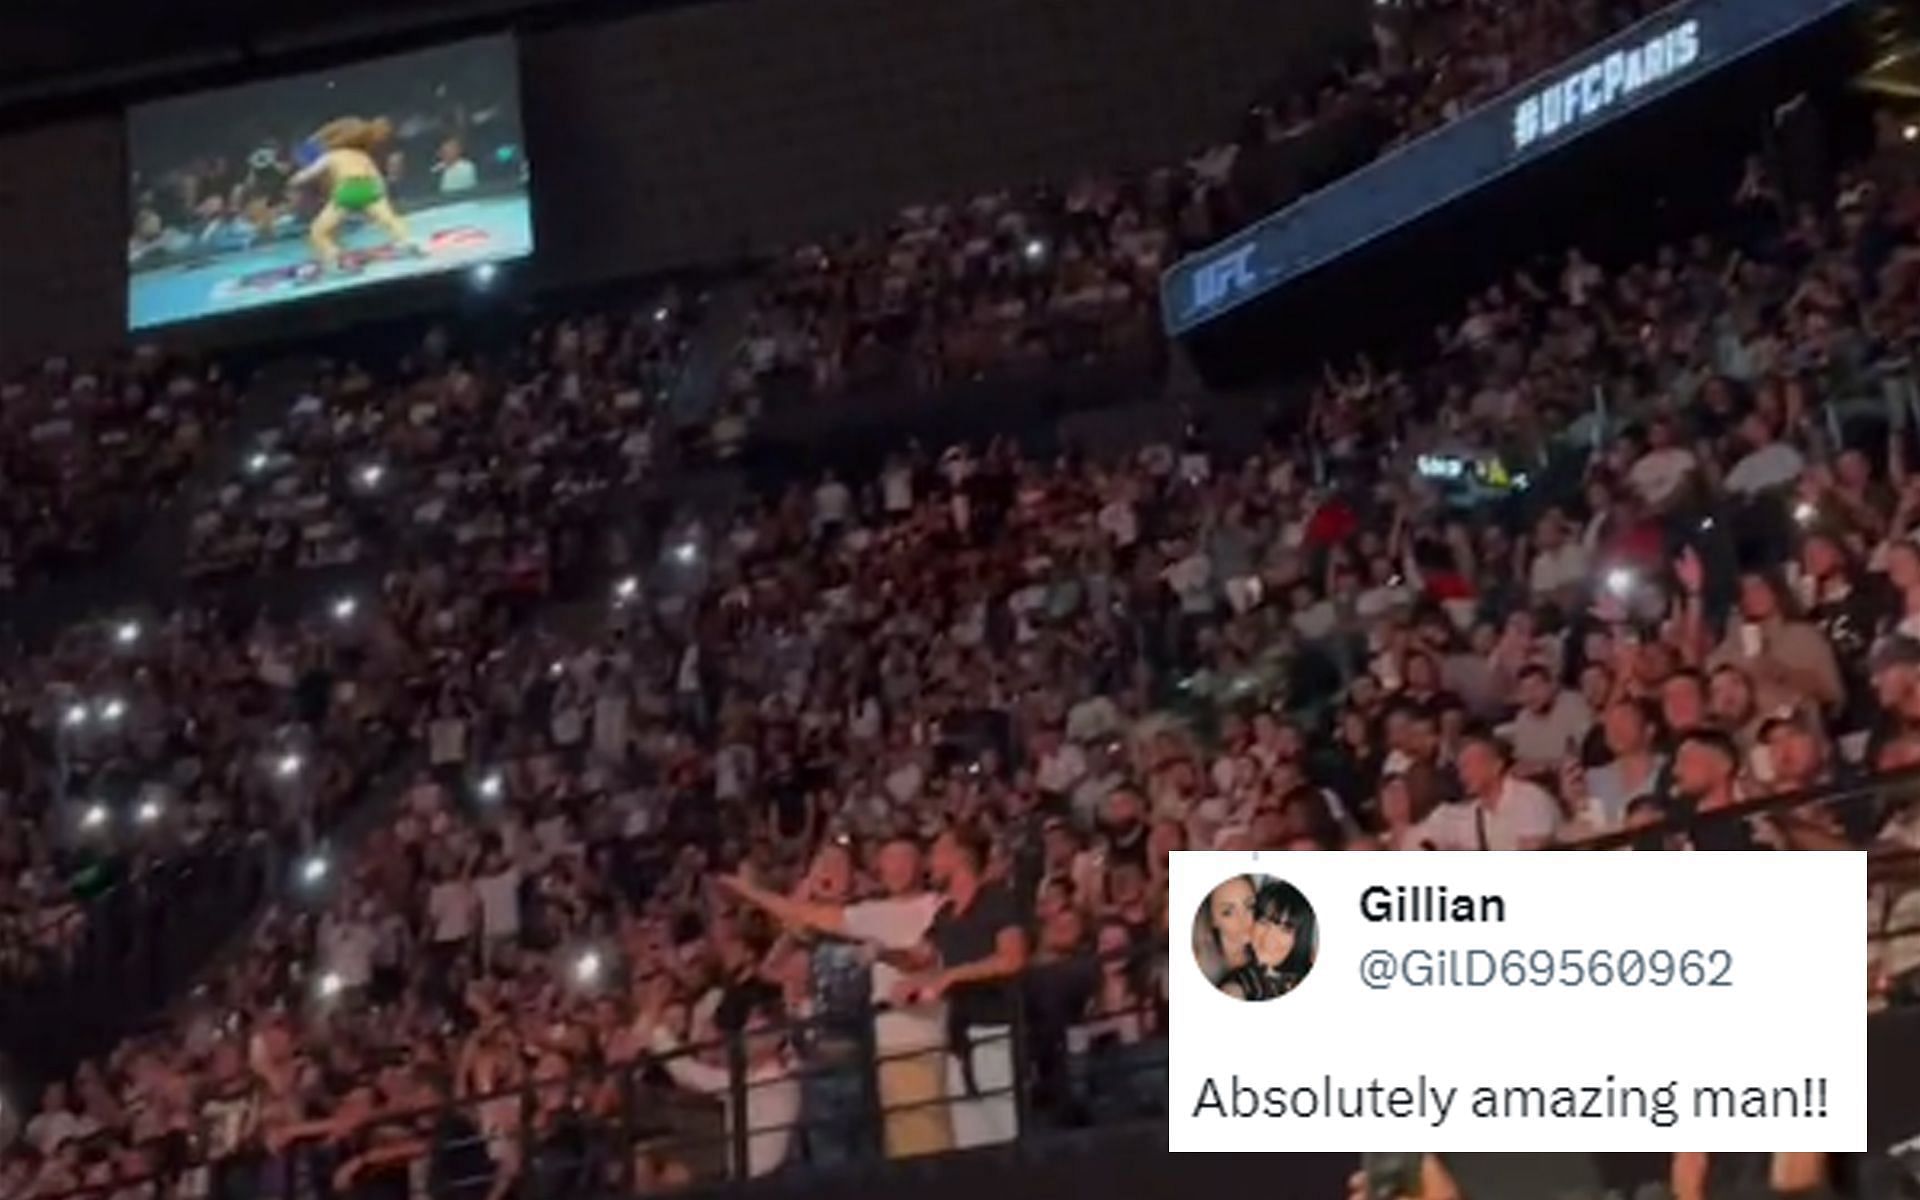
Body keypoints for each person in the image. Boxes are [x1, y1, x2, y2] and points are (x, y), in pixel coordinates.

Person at [900, 824, 1029, 1150]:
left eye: (937, 852)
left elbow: (1012, 958)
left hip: (997, 1029)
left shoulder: (995, 898)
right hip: (959, 1036)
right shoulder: (945, 914)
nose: (930, 862)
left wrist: (951, 976)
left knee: (1005, 1132)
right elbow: (918, 957)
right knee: (971, 1142)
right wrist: (881, 953)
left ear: (959, 856)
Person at [290, 117, 417, 273]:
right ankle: (407, 241)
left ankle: (337, 257)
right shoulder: (362, 156)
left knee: (318, 232)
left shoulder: (332, 155)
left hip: (347, 191)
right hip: (369, 188)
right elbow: (377, 179)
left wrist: (295, 180)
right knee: (390, 220)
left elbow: (311, 172)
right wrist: (381, 196)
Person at [1218, 878, 1315, 1000]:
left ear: (1301, 937)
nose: (1269, 936)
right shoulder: (1241, 983)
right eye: (1263, 922)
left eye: (1285, 929)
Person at [1194, 874, 1254, 984]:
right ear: (1213, 920)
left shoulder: (1266, 953)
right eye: (1228, 912)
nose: (1244, 919)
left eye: (1250, 906)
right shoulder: (1201, 965)